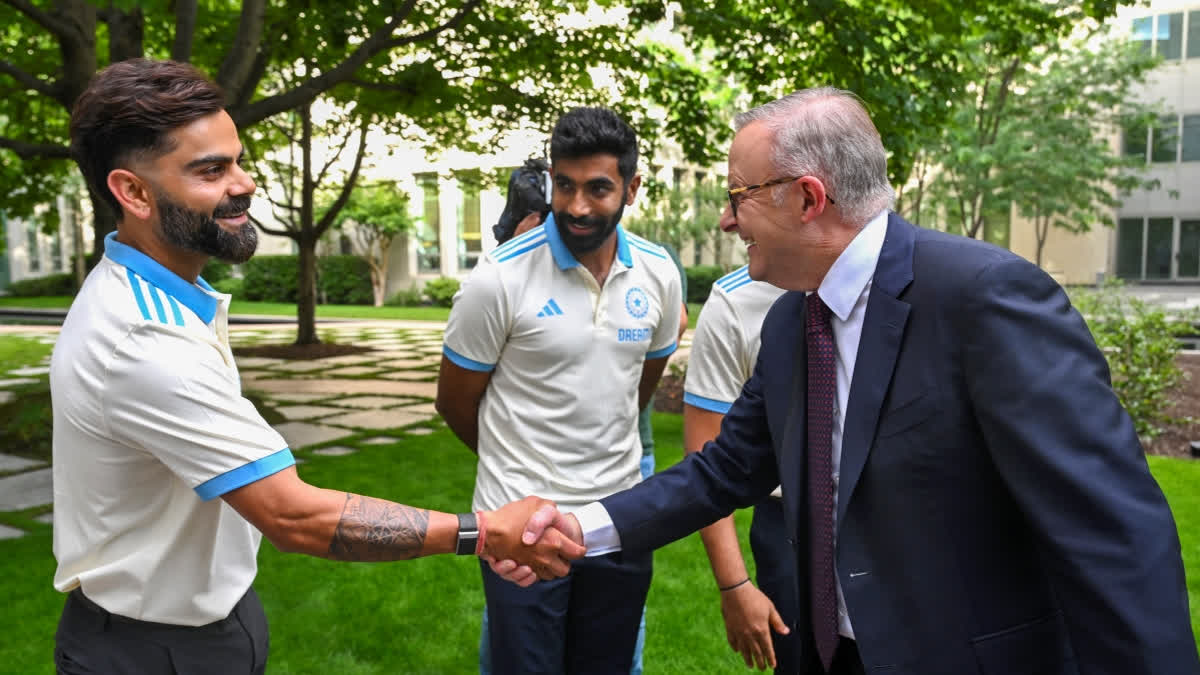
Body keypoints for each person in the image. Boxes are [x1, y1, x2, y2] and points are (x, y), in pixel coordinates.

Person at [505, 87, 1200, 674]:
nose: (724, 219)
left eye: (737, 196)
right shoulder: (788, 325)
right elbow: (723, 471)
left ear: (807, 198)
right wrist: (580, 526)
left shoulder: (985, 299)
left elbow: (1112, 536)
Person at [50, 58, 581, 674]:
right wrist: (482, 532)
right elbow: (292, 515)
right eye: (211, 170)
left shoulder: (159, 298)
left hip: (202, 623)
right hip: (150, 649)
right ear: (134, 192)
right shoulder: (143, 338)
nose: (244, 184)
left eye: (238, 160)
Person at [437, 106, 682, 675]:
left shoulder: (659, 274)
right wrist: (515, 469)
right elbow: (454, 402)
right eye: (564, 185)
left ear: (632, 187)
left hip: (619, 519)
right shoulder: (499, 276)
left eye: (598, 188)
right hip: (522, 527)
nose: (576, 206)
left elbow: (639, 384)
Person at [683, 268, 792, 672]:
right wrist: (735, 584)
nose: (727, 222)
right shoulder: (734, 301)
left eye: (740, 201)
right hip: (789, 530)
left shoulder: (925, 283)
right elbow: (707, 463)